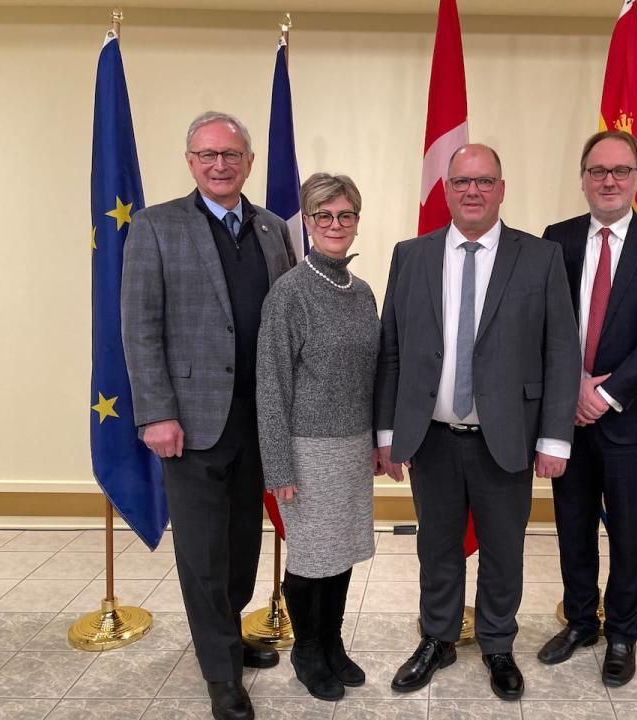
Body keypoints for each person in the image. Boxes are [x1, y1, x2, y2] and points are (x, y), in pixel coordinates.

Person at [375, 144, 581, 700]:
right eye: (462, 182)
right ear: (445, 189)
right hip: (430, 437)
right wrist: (388, 432)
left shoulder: (539, 258)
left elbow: (562, 351)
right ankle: (437, 638)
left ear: (501, 188)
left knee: (503, 548)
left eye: (484, 181)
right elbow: (391, 347)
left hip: (506, 436)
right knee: (436, 547)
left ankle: (496, 643)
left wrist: (555, 435)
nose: (472, 191)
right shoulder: (411, 255)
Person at [122, 111, 295, 720]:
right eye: (207, 155)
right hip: (190, 423)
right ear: (190, 161)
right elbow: (140, 329)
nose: (220, 165)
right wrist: (156, 414)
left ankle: (229, 634)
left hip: (259, 419)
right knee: (202, 550)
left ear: (248, 162)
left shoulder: (275, 229)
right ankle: (220, 672)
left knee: (245, 542)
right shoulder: (155, 227)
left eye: (231, 155)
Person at [537, 131, 637, 686]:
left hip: (629, 419)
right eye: (598, 170)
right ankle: (581, 621)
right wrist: (571, 386)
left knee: (629, 532)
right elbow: (546, 323)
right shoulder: (557, 239)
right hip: (565, 417)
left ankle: (623, 632)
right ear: (582, 178)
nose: (608, 180)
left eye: (621, 170)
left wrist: (602, 393)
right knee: (572, 527)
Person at [255, 173, 379, 702]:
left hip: (353, 447)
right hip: (306, 450)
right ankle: (308, 649)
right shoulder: (290, 291)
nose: (335, 224)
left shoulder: (362, 291)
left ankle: (332, 642)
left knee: (342, 552)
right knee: (310, 558)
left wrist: (376, 440)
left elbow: (372, 373)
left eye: (344, 215)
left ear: (356, 222)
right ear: (306, 222)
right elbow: (271, 383)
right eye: (323, 215)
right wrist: (278, 465)